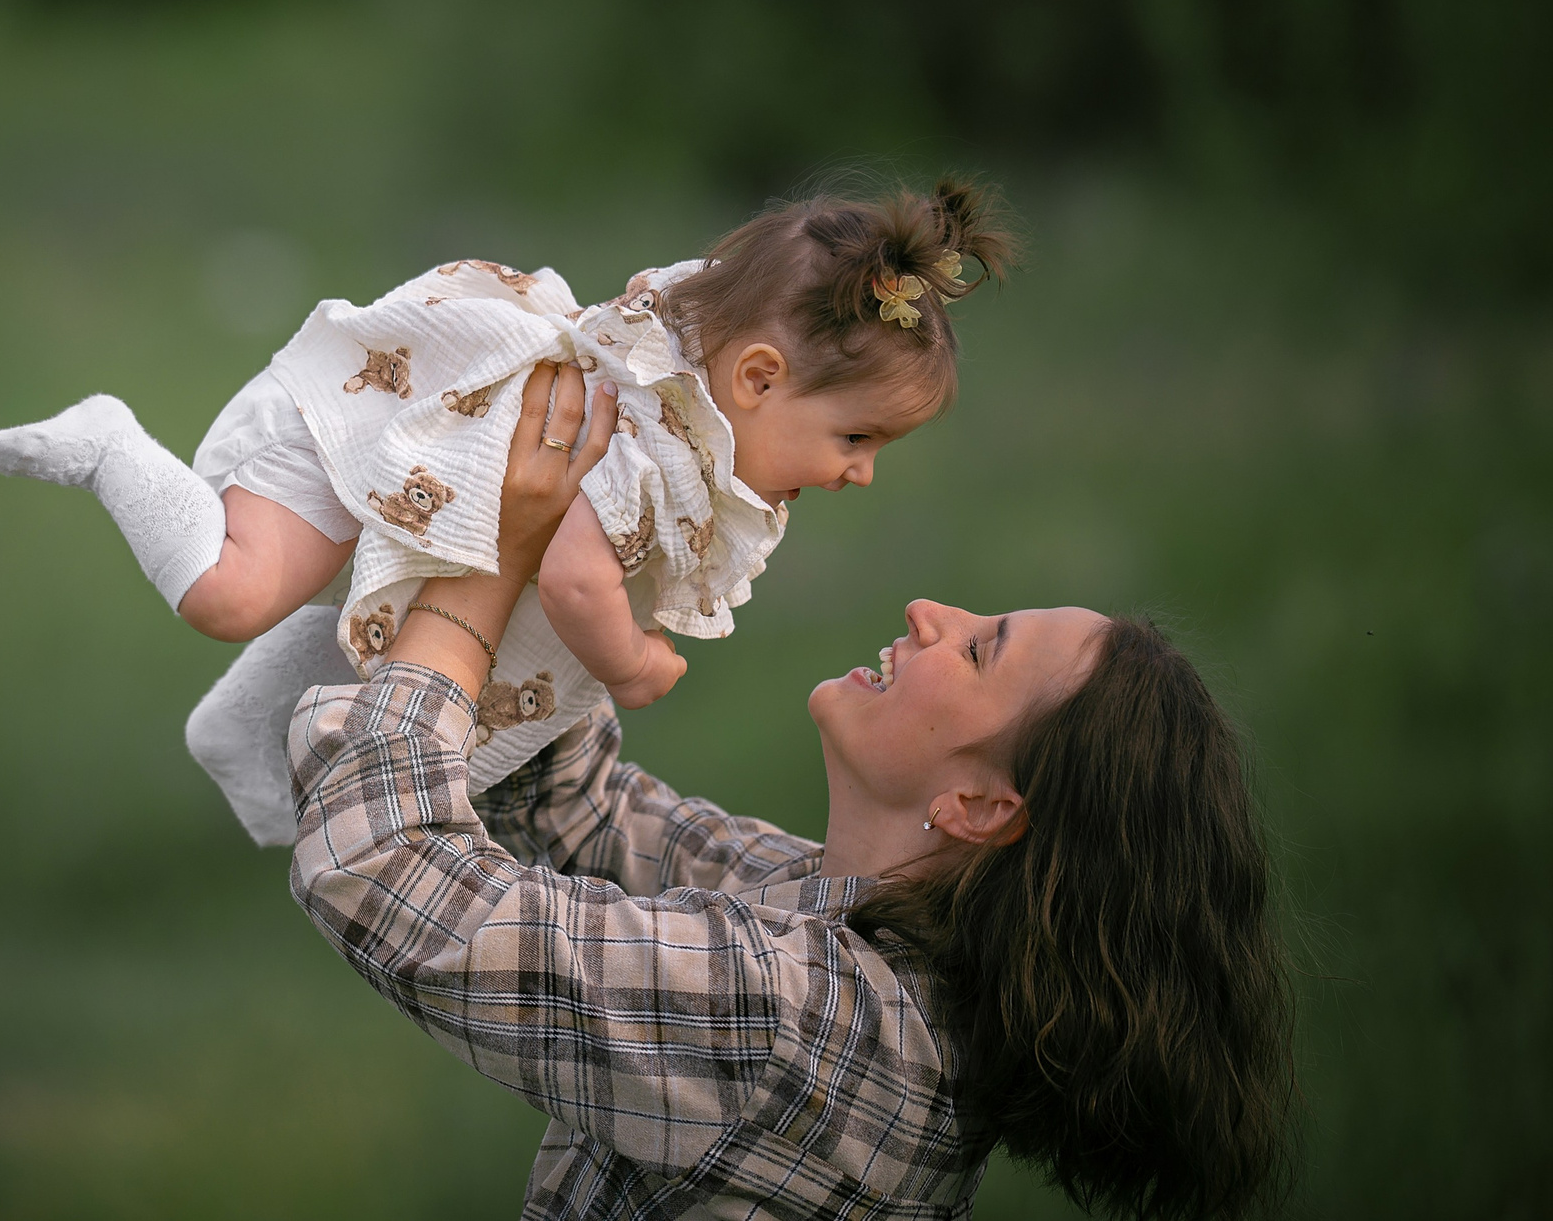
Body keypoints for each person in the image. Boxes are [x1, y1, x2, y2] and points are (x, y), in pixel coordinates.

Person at [291, 362, 1292, 1220]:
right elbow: (575, 807)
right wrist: (584, 538)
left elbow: (382, 871)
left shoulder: (808, 1025)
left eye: (979, 649)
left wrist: (484, 569)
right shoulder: (844, 917)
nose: (929, 611)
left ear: (983, 807)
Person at [0, 180, 1017, 842]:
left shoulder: (683, 393)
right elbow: (572, 577)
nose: (860, 473)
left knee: (368, 652)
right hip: (379, 426)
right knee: (231, 593)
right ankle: (111, 443)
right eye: (856, 438)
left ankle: (237, 731)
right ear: (754, 379)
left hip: (423, 479)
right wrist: (628, 662)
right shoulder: (645, 445)